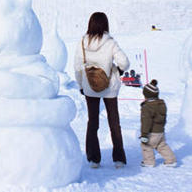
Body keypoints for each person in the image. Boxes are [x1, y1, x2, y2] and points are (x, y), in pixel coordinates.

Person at [74, 12, 130, 169]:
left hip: (90, 87)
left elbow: (77, 68)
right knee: (114, 123)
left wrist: (81, 85)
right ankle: (118, 159)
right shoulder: (110, 42)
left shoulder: (82, 42)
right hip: (109, 87)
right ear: (105, 24)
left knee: (92, 122)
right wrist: (118, 71)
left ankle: (94, 159)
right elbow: (124, 62)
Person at [139, 79, 177, 168]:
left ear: (146, 95)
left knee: (146, 145)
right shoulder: (161, 104)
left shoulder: (147, 107)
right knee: (162, 145)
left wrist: (144, 134)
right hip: (160, 131)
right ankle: (171, 160)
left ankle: (148, 162)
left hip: (152, 132)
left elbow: (146, 122)